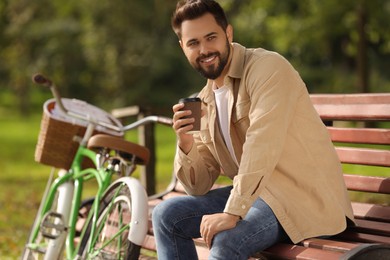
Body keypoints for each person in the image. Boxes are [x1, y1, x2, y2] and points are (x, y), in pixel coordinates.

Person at [152, 0, 355, 259]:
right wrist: (185, 144)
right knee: (165, 215)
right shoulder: (204, 99)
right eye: (193, 43)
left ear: (228, 33)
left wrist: (232, 213)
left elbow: (262, 144)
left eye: (211, 37)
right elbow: (198, 187)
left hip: (300, 197)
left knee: (226, 239)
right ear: (183, 48)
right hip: (255, 195)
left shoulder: (267, 68)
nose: (204, 49)